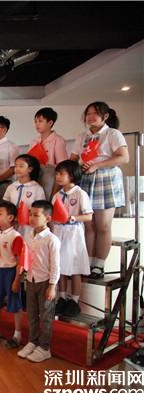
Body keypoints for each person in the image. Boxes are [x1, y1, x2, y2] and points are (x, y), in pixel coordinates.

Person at [70, 102, 129, 279]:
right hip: (85, 178)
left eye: (95, 113)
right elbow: (73, 159)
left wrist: (97, 165)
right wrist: (76, 168)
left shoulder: (112, 133)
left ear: (105, 116)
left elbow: (123, 157)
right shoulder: (82, 136)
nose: (90, 117)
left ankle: (99, 265)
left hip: (106, 178)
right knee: (89, 224)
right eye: (88, 114)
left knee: (103, 224)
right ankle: (87, 262)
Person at [17, 200, 60, 363]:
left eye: (36, 215)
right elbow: (25, 257)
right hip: (31, 279)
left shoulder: (51, 239)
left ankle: (44, 347)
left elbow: (55, 265)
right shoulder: (29, 236)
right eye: (30, 214)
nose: (32, 218)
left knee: (46, 316)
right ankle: (32, 341)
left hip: (45, 282)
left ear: (47, 218)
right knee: (32, 314)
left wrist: (52, 286)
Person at [52, 160, 93, 317]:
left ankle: (74, 301)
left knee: (75, 269)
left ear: (72, 175)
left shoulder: (80, 193)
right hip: (58, 232)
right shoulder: (57, 195)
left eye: (61, 174)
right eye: (57, 173)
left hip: (73, 233)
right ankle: (62, 297)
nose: (58, 177)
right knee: (60, 267)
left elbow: (88, 216)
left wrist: (74, 218)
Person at [0, 201, 24, 349]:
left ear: (10, 217)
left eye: (0, 214)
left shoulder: (16, 236)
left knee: (15, 303)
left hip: (10, 272)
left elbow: (20, 261)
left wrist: (17, 280)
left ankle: (17, 335)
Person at [29, 107, 68, 199]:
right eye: (35, 121)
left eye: (40, 121)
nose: (37, 124)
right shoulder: (34, 141)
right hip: (35, 176)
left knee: (46, 201)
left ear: (50, 123)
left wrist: (55, 191)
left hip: (50, 177)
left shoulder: (58, 140)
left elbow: (62, 167)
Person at [3, 154, 46, 237]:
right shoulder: (11, 187)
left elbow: (40, 208)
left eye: (21, 166)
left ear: (30, 169)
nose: (17, 169)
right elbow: (6, 205)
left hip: (28, 226)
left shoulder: (37, 188)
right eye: (16, 166)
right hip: (12, 224)